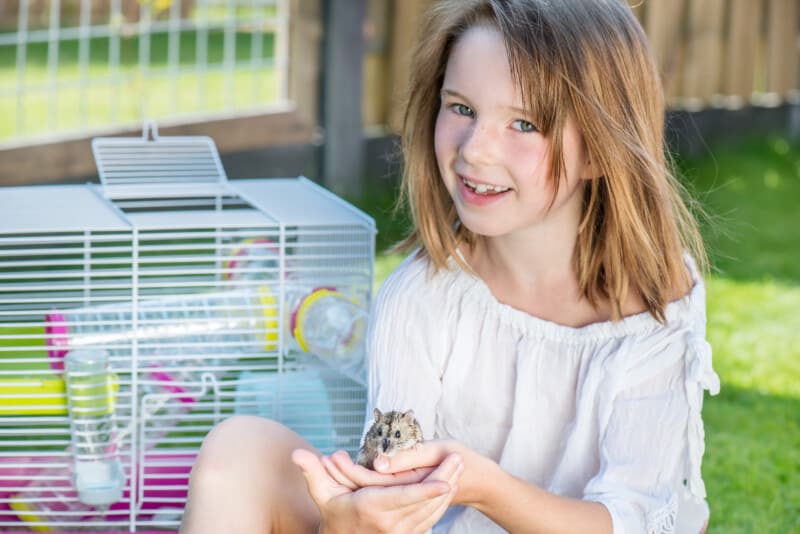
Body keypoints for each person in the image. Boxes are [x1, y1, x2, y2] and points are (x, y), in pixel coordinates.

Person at [179, 0, 721, 532]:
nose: (474, 151)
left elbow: (636, 518)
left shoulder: (654, 306)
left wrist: (486, 487)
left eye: (525, 123)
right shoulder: (421, 297)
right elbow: (392, 497)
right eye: (461, 108)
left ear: (602, 150)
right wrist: (352, 524)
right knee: (240, 449)